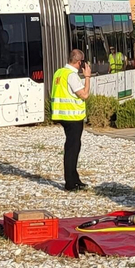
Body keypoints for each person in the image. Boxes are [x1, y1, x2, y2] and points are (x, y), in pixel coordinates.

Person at [51, 49, 92, 191]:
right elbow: (84, 95)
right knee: (72, 149)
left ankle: (75, 178)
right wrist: (87, 77)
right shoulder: (72, 76)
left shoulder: (59, 72)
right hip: (72, 116)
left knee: (71, 147)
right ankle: (70, 182)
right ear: (79, 62)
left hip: (61, 115)